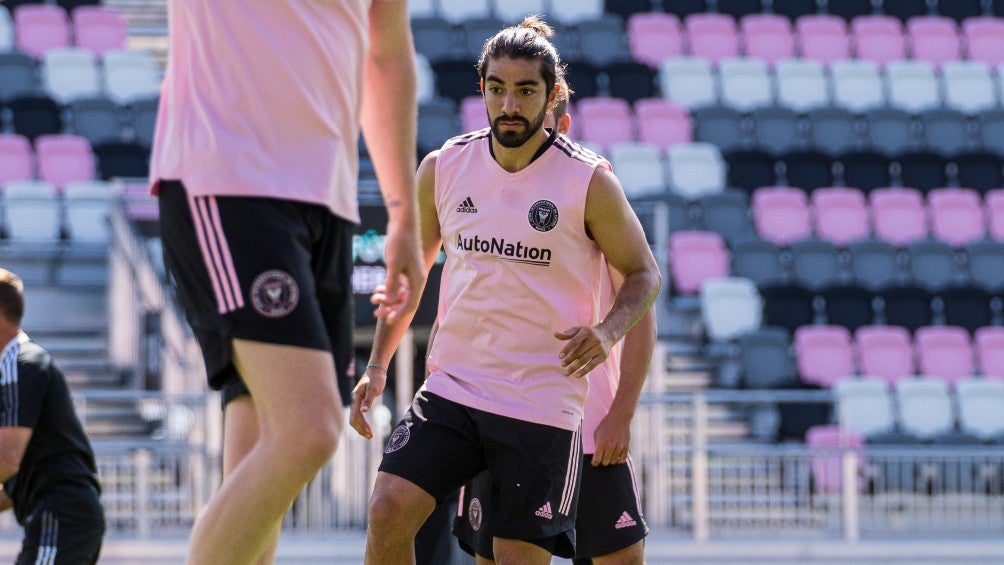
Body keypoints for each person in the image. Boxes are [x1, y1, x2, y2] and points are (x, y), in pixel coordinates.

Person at [350, 16, 661, 565]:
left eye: (525, 91)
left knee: (521, 557)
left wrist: (608, 334)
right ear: (482, 92)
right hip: (456, 387)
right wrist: (376, 367)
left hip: (541, 403)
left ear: (552, 96)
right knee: (388, 510)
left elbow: (644, 274)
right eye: (497, 89)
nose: (509, 104)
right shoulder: (444, 167)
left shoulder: (588, 181)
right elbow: (410, 277)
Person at [149, 2, 425, 563]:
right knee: (311, 429)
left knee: (261, 453)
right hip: (226, 178)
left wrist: (404, 215)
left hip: (326, 201)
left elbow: (388, 54)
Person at [451, 87, 654, 564]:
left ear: (560, 125)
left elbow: (643, 312)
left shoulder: (592, 200)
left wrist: (621, 414)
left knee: (622, 558)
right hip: (501, 419)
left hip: (589, 428)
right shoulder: (479, 196)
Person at [0, 269, 105, 564]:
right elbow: (15, 485)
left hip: (61, 516)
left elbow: (6, 460)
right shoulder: (18, 367)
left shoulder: (20, 363)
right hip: (66, 516)